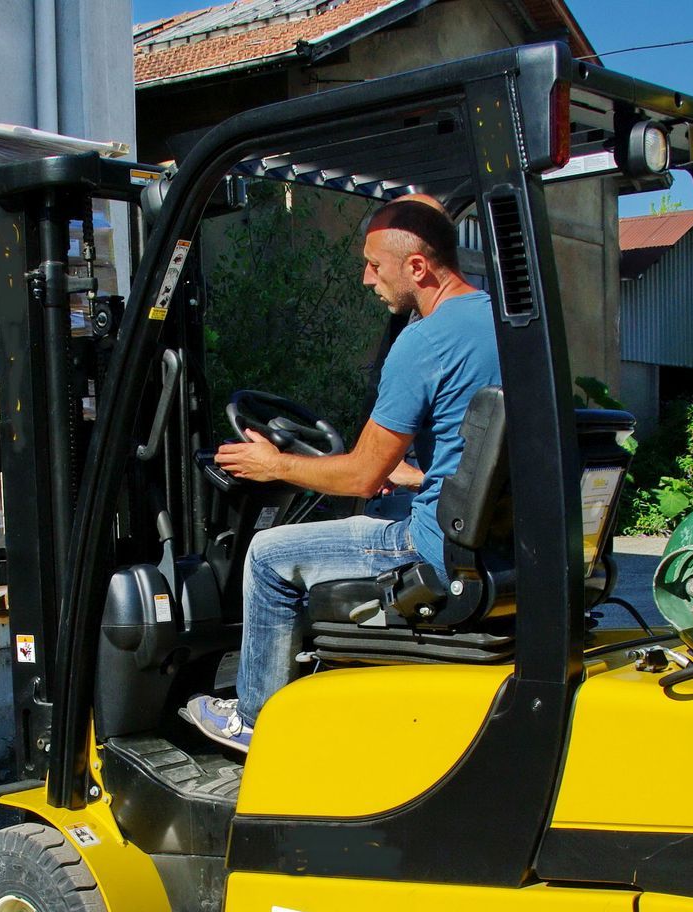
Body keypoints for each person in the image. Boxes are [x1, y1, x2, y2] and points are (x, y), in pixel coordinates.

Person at [182, 195, 502, 754]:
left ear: (417, 267)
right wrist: (415, 477)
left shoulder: (423, 342)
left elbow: (357, 474)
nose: (365, 278)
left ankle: (255, 718)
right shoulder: (502, 321)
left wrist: (273, 463)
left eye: (374, 265)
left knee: (268, 555)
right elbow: (480, 445)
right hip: (492, 539)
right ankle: (324, 681)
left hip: (432, 549)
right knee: (380, 503)